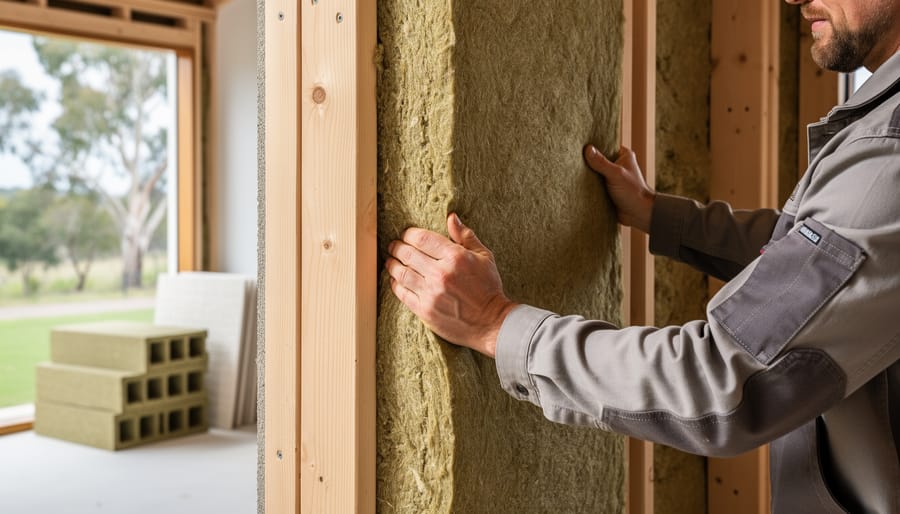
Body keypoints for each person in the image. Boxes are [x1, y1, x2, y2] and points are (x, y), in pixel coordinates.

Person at [385, 0, 900, 512]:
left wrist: (495, 324)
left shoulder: (889, 153)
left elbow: (718, 380)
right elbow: (815, 256)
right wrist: (661, 216)